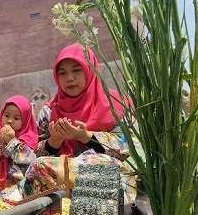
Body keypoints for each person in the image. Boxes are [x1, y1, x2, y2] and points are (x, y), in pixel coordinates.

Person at [23, 44, 133, 198]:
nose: (69, 78)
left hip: (105, 184)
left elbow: (129, 148)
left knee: (98, 164)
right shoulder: (48, 112)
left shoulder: (116, 104)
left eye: (76, 70)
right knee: (38, 167)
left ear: (91, 70)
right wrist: (55, 140)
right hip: (59, 180)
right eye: (62, 73)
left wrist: (85, 137)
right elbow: (35, 155)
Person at [0, 96, 38, 201]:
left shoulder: (27, 138)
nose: (10, 121)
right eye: (6, 115)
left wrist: (12, 141)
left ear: (25, 120)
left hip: (18, 183)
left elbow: (27, 160)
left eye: (16, 118)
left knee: (9, 202)